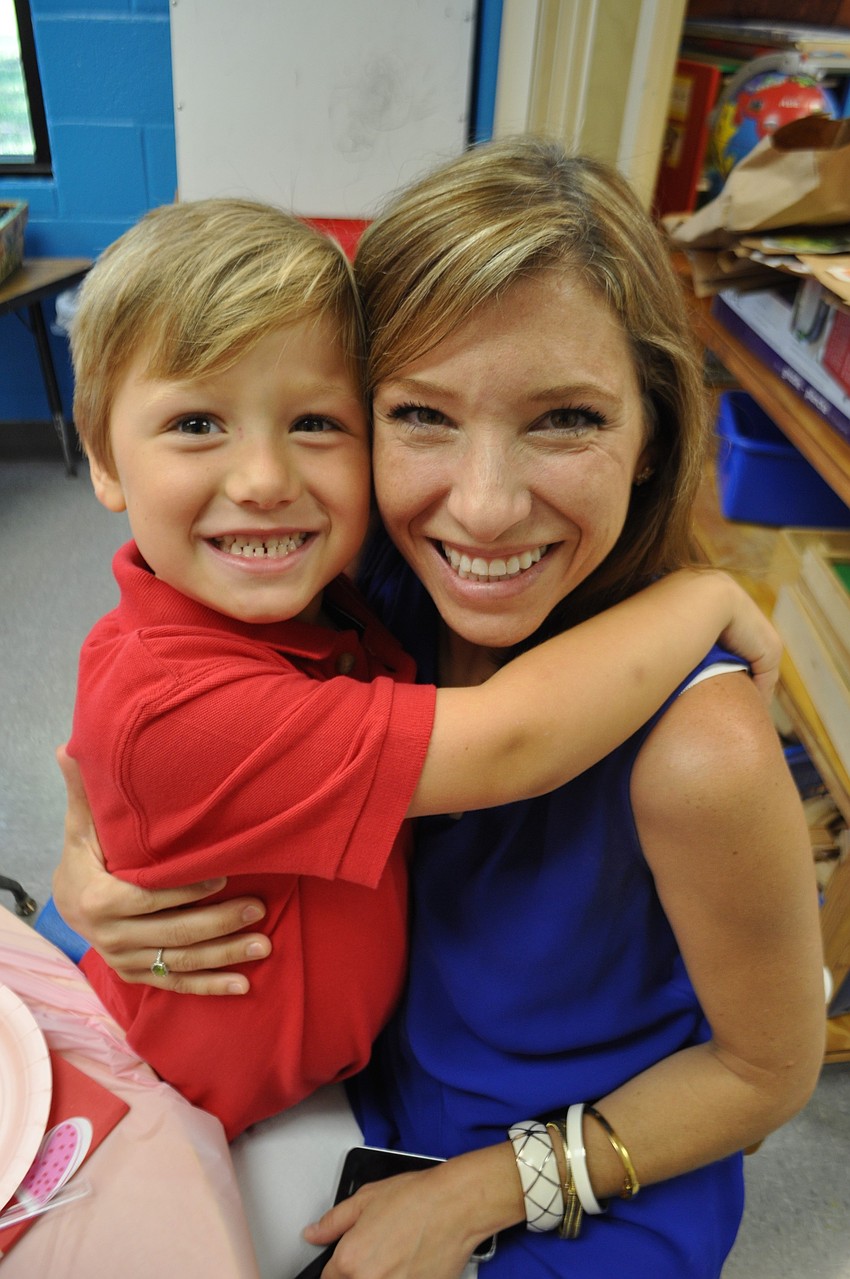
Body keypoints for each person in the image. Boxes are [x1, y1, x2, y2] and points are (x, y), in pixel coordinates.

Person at [53, 140, 824, 1279]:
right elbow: (148, 729)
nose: (485, 507)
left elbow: (768, 1070)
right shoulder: (365, 587)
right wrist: (92, 873)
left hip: (585, 1164)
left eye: (565, 419)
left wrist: (486, 1189)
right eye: (420, 414)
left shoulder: (700, 746)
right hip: (342, 1077)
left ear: (653, 433)